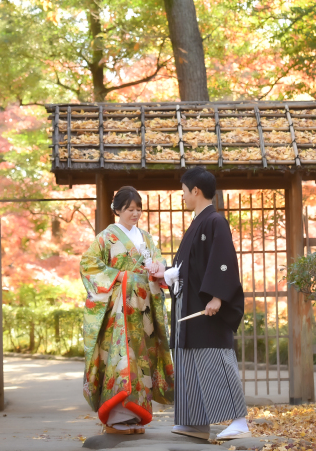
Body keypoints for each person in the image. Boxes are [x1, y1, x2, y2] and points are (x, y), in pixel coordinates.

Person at [154, 167, 251, 441]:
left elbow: (223, 260)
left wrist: (217, 296)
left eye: (184, 191)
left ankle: (239, 421)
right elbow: (189, 266)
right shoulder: (197, 222)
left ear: (195, 190)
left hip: (208, 307)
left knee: (215, 360)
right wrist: (169, 273)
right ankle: (195, 423)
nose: (182, 195)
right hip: (188, 306)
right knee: (189, 361)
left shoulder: (214, 221)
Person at [79, 186, 174, 435]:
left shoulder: (146, 237)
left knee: (141, 358)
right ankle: (114, 418)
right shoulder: (106, 237)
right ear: (118, 210)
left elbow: (159, 261)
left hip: (143, 308)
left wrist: (157, 268)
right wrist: (120, 276)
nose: (136, 214)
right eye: (130, 209)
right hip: (119, 309)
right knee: (121, 357)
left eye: (138, 209)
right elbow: (88, 265)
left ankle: (135, 415)